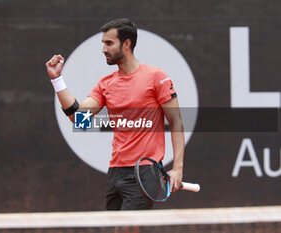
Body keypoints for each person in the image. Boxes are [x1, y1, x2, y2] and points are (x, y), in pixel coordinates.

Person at [46, 18, 185, 210]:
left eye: (109, 43)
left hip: (144, 173)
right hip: (115, 173)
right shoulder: (105, 84)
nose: (104, 49)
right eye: (103, 43)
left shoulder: (156, 77)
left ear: (126, 44)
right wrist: (57, 79)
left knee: (127, 228)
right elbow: (78, 118)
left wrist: (178, 168)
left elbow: (176, 121)